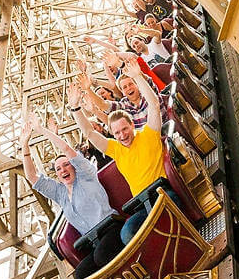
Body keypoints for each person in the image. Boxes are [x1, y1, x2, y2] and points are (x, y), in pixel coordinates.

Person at [74, 58, 181, 244]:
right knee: (127, 234)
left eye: (124, 129)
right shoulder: (115, 149)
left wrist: (137, 77)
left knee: (165, 213)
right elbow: (90, 133)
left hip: (164, 192)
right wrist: (75, 108)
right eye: (117, 133)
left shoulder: (148, 133)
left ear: (132, 125)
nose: (122, 135)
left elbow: (154, 105)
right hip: (141, 203)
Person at [21, 112, 123, 279]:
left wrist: (42, 130)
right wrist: (24, 146)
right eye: (58, 169)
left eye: (66, 165)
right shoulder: (60, 193)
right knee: (81, 274)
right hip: (92, 242)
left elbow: (67, 149)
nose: (63, 170)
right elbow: (32, 176)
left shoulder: (86, 175)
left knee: (101, 257)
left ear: (74, 166)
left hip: (111, 228)